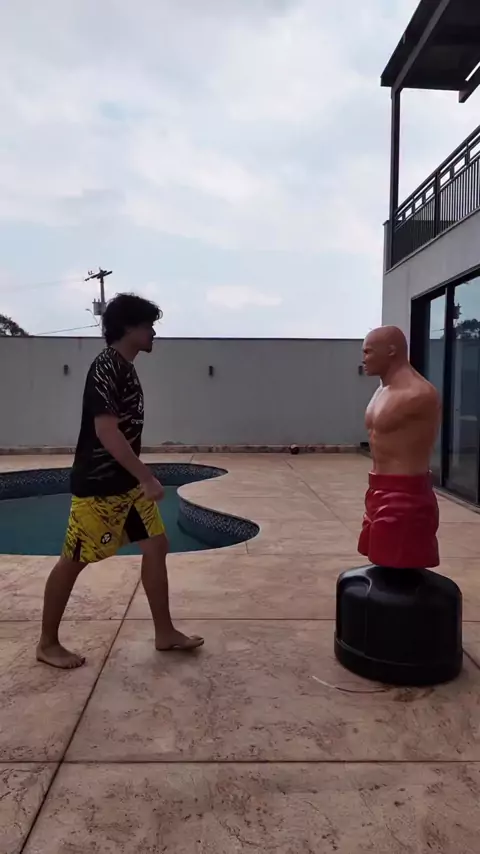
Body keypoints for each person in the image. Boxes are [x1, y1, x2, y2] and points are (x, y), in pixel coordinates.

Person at [37, 293, 204, 669]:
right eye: (148, 325)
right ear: (128, 328)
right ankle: (47, 643)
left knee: (156, 546)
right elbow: (106, 431)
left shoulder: (125, 368)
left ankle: (165, 632)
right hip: (100, 485)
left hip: (125, 485)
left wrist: (138, 478)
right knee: (73, 560)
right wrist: (147, 476)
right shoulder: (107, 367)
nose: (153, 332)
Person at [359, 325, 441, 569]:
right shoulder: (381, 390)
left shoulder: (419, 393)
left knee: (399, 570)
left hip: (406, 495)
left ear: (391, 351)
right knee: (382, 565)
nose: (364, 359)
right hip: (377, 489)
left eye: (368, 351)